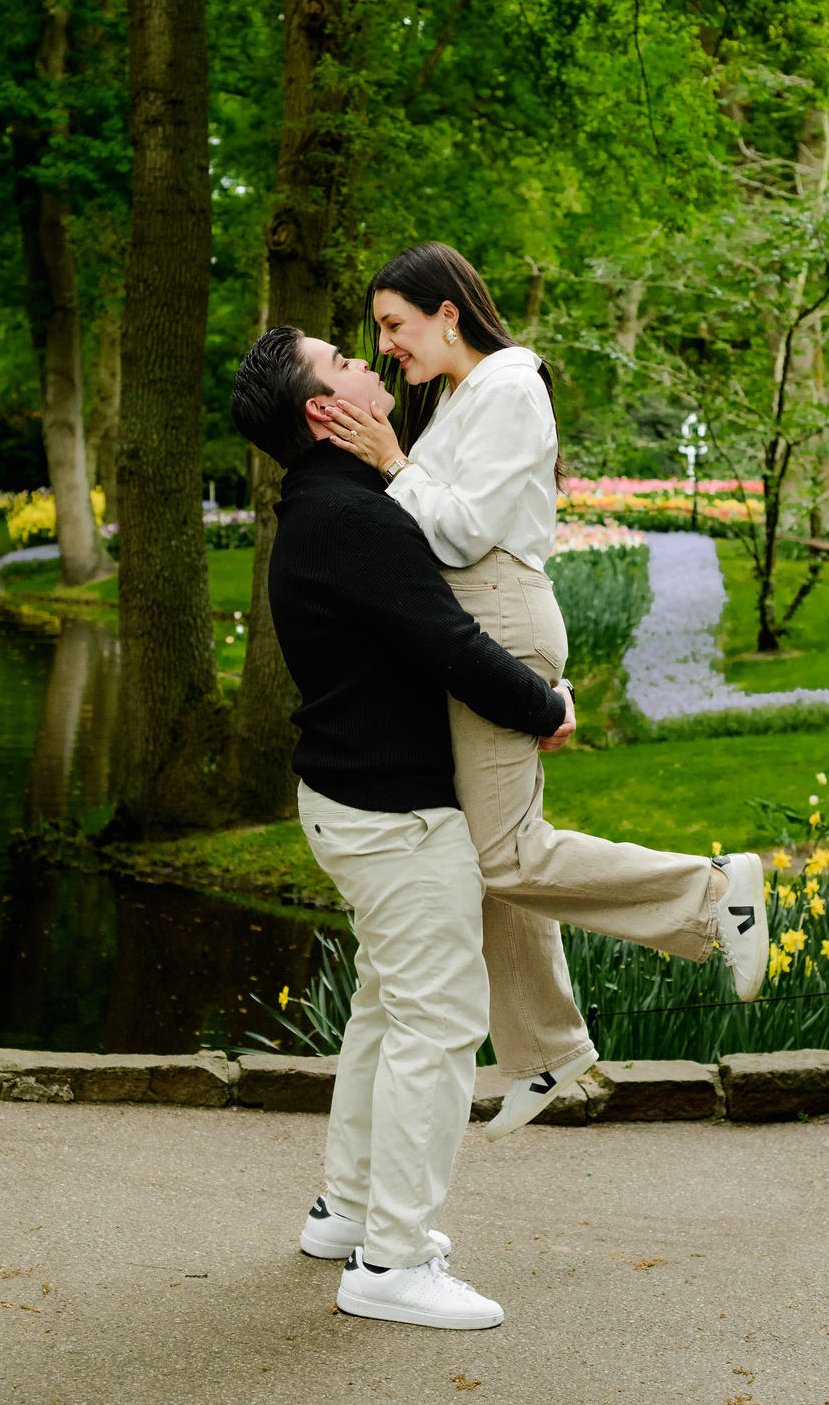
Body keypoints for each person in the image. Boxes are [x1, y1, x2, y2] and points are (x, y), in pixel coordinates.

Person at [324, 242, 768, 1139]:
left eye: (394, 325)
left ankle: (714, 896)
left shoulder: (509, 387)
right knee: (479, 857)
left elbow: (458, 536)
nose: (385, 347)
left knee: (508, 856)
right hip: (472, 625)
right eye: (379, 331)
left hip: (496, 617)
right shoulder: (460, 396)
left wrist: (390, 463)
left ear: (449, 311)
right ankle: (547, 1053)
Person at [229, 325, 575, 1331]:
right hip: (394, 814)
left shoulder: (330, 508)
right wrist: (546, 706)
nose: (367, 363)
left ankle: (347, 1211)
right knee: (435, 1022)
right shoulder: (353, 519)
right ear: (323, 413)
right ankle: (391, 1261)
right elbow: (450, 644)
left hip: (357, 803)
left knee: (387, 1008)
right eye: (343, 361)